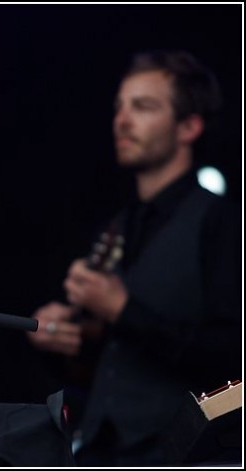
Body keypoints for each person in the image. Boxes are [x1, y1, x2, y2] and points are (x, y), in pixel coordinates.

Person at [27, 50, 241, 466]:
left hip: (183, 455)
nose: (121, 120)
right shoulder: (116, 227)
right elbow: (105, 368)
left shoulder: (223, 222)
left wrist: (121, 309)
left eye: (143, 107)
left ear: (189, 126)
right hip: (101, 450)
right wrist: (60, 340)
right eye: (119, 107)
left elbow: (234, 354)